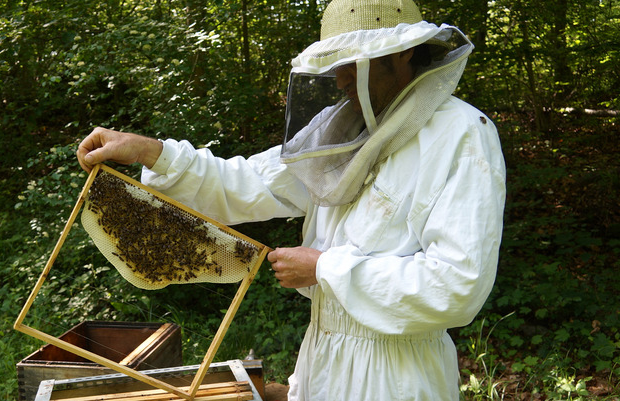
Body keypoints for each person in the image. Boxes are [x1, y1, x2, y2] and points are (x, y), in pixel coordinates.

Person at [77, 0, 506, 399]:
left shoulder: (463, 135)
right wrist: (150, 151)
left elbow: (457, 286)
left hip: (398, 378)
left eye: (353, 64)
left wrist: (324, 267)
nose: (339, 80)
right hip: (322, 358)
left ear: (403, 53)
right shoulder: (341, 128)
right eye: (334, 64)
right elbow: (248, 182)